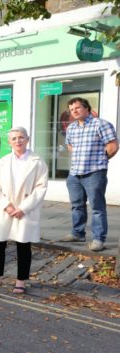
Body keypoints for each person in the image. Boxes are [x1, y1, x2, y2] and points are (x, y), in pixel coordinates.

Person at [0, 127, 48, 294]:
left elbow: (41, 188)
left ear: (27, 139)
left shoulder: (37, 162)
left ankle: (21, 280)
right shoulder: (3, 162)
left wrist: (23, 208)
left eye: (21, 137)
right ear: (9, 142)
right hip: (5, 208)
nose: (18, 141)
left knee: (23, 245)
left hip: (25, 209)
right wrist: (6, 205)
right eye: (14, 138)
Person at [60, 97, 118, 251]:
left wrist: (100, 161)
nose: (74, 112)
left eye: (77, 108)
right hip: (74, 173)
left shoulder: (101, 124)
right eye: (72, 110)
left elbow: (113, 145)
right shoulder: (71, 128)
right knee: (76, 205)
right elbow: (70, 145)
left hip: (94, 172)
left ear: (86, 108)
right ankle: (78, 233)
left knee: (97, 207)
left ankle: (98, 239)